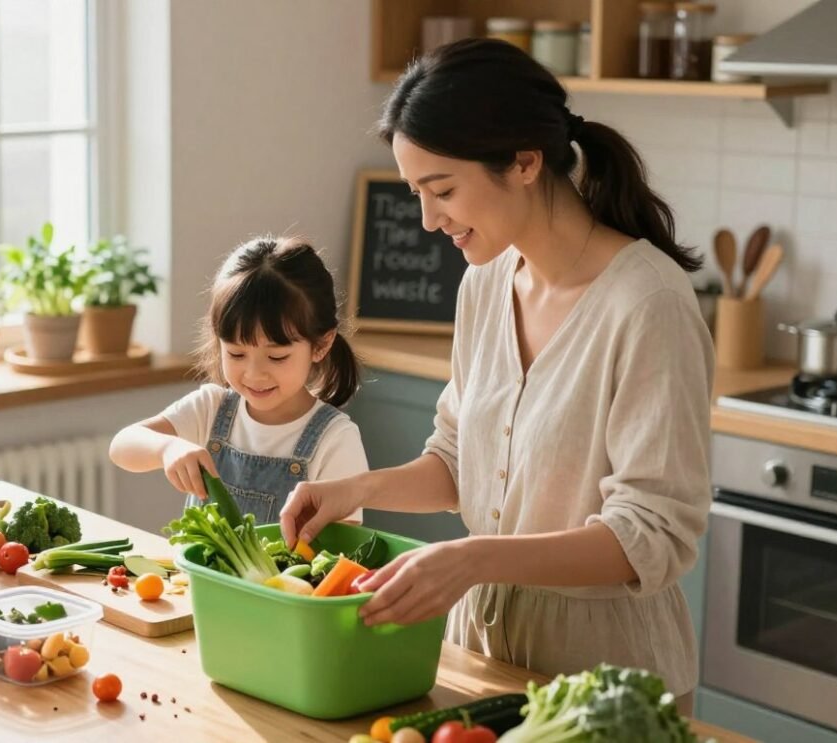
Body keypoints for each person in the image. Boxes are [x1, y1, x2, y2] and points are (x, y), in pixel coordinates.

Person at [279, 38, 713, 709]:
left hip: (610, 681)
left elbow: (648, 534)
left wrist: (473, 557)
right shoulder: (485, 283)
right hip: (480, 651)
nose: (427, 220)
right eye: (416, 193)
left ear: (525, 162)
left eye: (442, 190)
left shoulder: (648, 304)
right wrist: (349, 488)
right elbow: (459, 460)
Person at [110, 236, 368, 525]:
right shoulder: (211, 407)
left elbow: (340, 550)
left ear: (321, 345)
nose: (254, 374)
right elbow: (122, 446)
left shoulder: (335, 439)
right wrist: (168, 448)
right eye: (236, 353)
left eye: (277, 357)